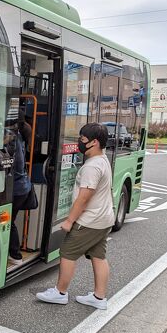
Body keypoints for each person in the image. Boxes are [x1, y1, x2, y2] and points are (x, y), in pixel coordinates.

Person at [36, 122, 114, 310]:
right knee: (98, 256)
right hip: (103, 218)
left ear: (94, 142)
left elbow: (84, 197)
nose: (79, 142)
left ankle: (60, 293)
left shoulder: (92, 167)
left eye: (82, 139)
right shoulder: (103, 159)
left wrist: (70, 220)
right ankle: (99, 297)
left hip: (89, 220)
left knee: (67, 253)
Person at [8, 112, 32, 266]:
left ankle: (15, 255)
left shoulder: (14, 140)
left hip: (17, 188)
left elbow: (14, 166)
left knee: (9, 221)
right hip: (21, 186)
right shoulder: (19, 137)